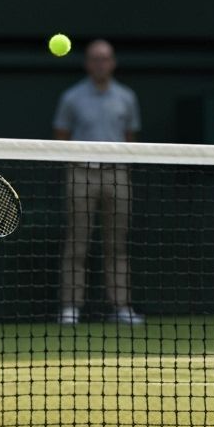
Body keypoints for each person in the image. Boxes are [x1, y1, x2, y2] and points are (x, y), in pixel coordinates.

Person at [54, 38, 144, 326]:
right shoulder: (72, 97)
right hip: (81, 174)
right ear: (87, 63)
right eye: (95, 58)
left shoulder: (127, 97)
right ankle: (71, 308)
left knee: (116, 245)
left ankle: (121, 307)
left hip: (117, 174)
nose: (100, 63)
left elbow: (130, 138)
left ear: (113, 63)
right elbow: (61, 136)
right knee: (77, 243)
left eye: (105, 58)